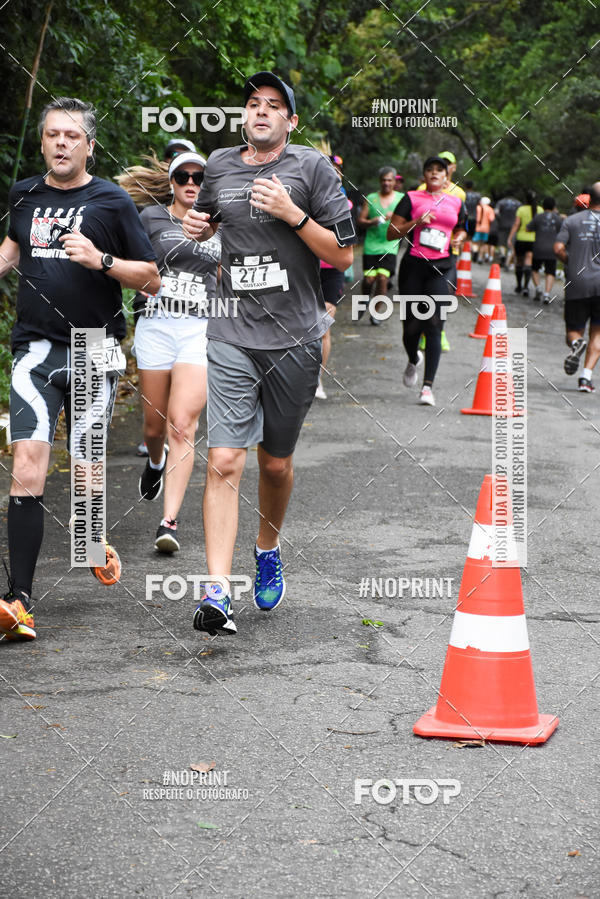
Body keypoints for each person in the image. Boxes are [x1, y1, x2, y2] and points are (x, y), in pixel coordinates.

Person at [182, 71, 355, 635]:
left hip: (295, 338)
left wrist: (292, 213)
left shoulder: (311, 169)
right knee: (225, 459)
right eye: (253, 103)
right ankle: (216, 592)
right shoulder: (219, 166)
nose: (261, 111)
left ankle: (268, 547)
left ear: (291, 121)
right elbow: (206, 228)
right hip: (231, 331)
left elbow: (345, 255)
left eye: (274, 105)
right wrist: (196, 227)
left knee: (274, 463)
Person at [0, 97, 160, 641]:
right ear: (43, 142)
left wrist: (101, 261)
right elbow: (11, 250)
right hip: (36, 348)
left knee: (88, 467)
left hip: (97, 345)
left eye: (72, 135)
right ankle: (18, 599)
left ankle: (91, 541)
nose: (62, 143)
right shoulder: (24, 194)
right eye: (53, 135)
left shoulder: (112, 202)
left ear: (90, 145)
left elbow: (152, 278)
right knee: (28, 461)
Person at [117, 150, 221, 553]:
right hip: (157, 326)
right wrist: (141, 279)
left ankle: (169, 522)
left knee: (182, 426)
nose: (192, 183)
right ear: (173, 182)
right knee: (154, 428)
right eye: (184, 177)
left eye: (199, 177)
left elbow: (232, 272)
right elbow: (132, 264)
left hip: (199, 329)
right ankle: (155, 462)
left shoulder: (221, 224)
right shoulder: (151, 219)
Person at [387, 156, 467, 406]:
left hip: (441, 267)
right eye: (429, 170)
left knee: (434, 324)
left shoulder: (456, 201)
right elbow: (392, 232)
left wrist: (459, 238)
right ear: (424, 175)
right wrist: (415, 222)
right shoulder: (411, 198)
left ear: (446, 177)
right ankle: (413, 359)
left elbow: (463, 228)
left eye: (439, 170)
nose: (434, 173)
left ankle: (427, 388)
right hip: (413, 267)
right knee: (410, 328)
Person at [554, 183, 600, 392]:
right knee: (597, 333)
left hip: (577, 283)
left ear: (589, 198)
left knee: (573, 331)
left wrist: (569, 262)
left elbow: (558, 248)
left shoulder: (571, 221)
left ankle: (576, 344)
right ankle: (586, 378)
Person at [317, 154, 352, 400]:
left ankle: (317, 378)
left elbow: (348, 241)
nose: (333, 172)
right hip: (304, 269)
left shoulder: (346, 203)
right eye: (329, 168)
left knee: (324, 325)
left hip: (331, 270)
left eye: (337, 169)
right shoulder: (303, 196)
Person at [357, 167, 404, 324]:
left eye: (389, 180)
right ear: (380, 181)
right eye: (383, 180)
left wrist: (397, 219)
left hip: (389, 245)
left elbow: (408, 221)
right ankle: (364, 299)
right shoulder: (371, 198)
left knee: (383, 278)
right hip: (371, 245)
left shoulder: (401, 198)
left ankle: (376, 313)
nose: (386, 183)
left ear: (395, 181)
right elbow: (360, 221)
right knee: (369, 280)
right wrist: (373, 221)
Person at [526, 196, 563, 303]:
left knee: (535, 269)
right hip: (552, 249)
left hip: (538, 247)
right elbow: (562, 232)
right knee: (550, 272)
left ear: (543, 206)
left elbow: (528, 228)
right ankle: (547, 294)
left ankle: (538, 288)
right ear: (554, 206)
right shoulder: (557, 218)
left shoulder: (538, 217)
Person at [507, 190, 543, 297]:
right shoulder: (540, 210)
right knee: (528, 262)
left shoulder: (521, 209)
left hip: (521, 238)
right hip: (534, 240)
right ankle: (526, 287)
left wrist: (510, 237)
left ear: (525, 199)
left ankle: (519, 286)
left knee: (519, 262)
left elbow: (516, 224)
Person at [494, 191, 521, 267]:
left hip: (503, 224)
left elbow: (496, 212)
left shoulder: (501, 202)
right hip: (514, 226)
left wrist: (499, 219)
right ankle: (507, 262)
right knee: (511, 244)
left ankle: (502, 255)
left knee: (501, 243)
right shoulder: (518, 203)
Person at [472, 197, 495, 263]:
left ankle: (475, 252)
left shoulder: (477, 208)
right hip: (486, 229)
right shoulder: (490, 209)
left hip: (477, 228)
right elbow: (492, 219)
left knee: (475, 243)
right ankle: (480, 257)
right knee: (483, 244)